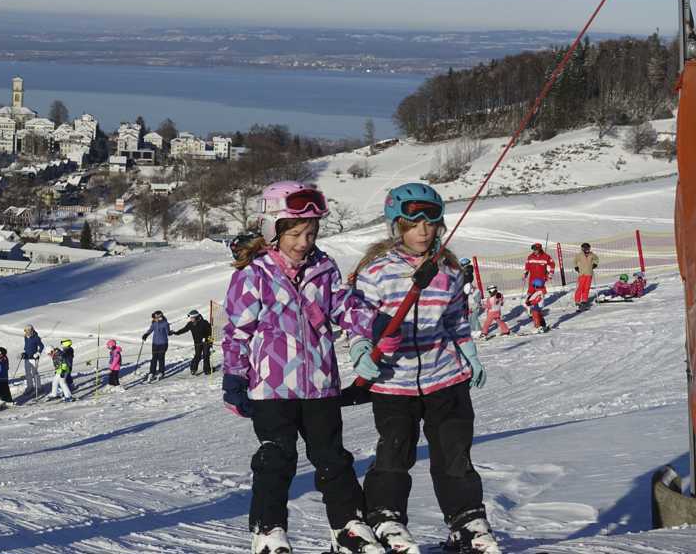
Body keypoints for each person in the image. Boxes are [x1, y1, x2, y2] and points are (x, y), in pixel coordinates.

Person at [222, 181, 383, 554]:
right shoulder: (255, 274)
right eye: (294, 233)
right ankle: (269, 530)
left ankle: (349, 526)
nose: (303, 241)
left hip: (321, 385)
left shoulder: (324, 268)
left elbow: (342, 305)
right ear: (272, 230)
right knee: (276, 456)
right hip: (271, 387)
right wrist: (234, 376)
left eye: (310, 233)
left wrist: (370, 321)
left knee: (333, 458)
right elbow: (237, 332)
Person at [351, 182, 500, 554]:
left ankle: (466, 522)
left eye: (430, 223)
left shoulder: (448, 271)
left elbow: (455, 321)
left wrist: (470, 355)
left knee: (454, 453)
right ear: (395, 226)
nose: (421, 230)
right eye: (411, 223)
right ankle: (386, 518)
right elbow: (357, 320)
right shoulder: (377, 272)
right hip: (393, 383)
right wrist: (360, 349)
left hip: (445, 379)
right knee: (394, 452)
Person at [171, 309, 214, 375]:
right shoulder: (190, 324)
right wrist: (175, 333)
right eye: (190, 317)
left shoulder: (204, 323)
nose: (191, 319)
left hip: (206, 342)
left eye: (192, 318)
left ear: (196, 317)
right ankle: (193, 369)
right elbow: (184, 330)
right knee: (197, 355)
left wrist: (210, 342)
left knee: (206, 356)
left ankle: (207, 370)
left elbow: (210, 333)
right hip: (197, 343)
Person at [142, 311, 170, 382]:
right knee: (154, 358)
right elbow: (150, 330)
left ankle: (161, 372)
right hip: (155, 344)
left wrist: (170, 332)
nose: (154, 319)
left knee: (161, 358)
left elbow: (168, 332)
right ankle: (152, 372)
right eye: (153, 318)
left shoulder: (165, 323)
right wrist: (146, 335)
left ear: (159, 317)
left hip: (163, 343)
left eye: (155, 317)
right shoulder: (154, 323)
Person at [572, 242, 599, 308]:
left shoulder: (591, 254)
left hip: (589, 273)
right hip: (582, 273)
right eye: (586, 248)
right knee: (580, 287)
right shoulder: (579, 255)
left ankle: (584, 300)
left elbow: (597, 259)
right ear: (583, 249)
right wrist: (576, 267)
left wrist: (595, 264)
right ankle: (577, 300)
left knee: (586, 288)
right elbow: (574, 261)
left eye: (588, 248)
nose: (587, 250)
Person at [459, 258, 482, 333]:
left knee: (470, 312)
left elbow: (465, 282)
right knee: (468, 311)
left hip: (467, 293)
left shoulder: (467, 272)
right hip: (466, 292)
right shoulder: (467, 271)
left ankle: (476, 329)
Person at [22, 325, 44, 396]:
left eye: (29, 330)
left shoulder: (36, 338)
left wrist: (38, 353)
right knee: (28, 373)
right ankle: (30, 387)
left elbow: (41, 346)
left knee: (35, 373)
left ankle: (39, 387)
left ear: (32, 330)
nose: (27, 332)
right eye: (26, 331)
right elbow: (26, 347)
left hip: (34, 358)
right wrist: (24, 353)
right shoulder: (25, 337)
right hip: (27, 358)